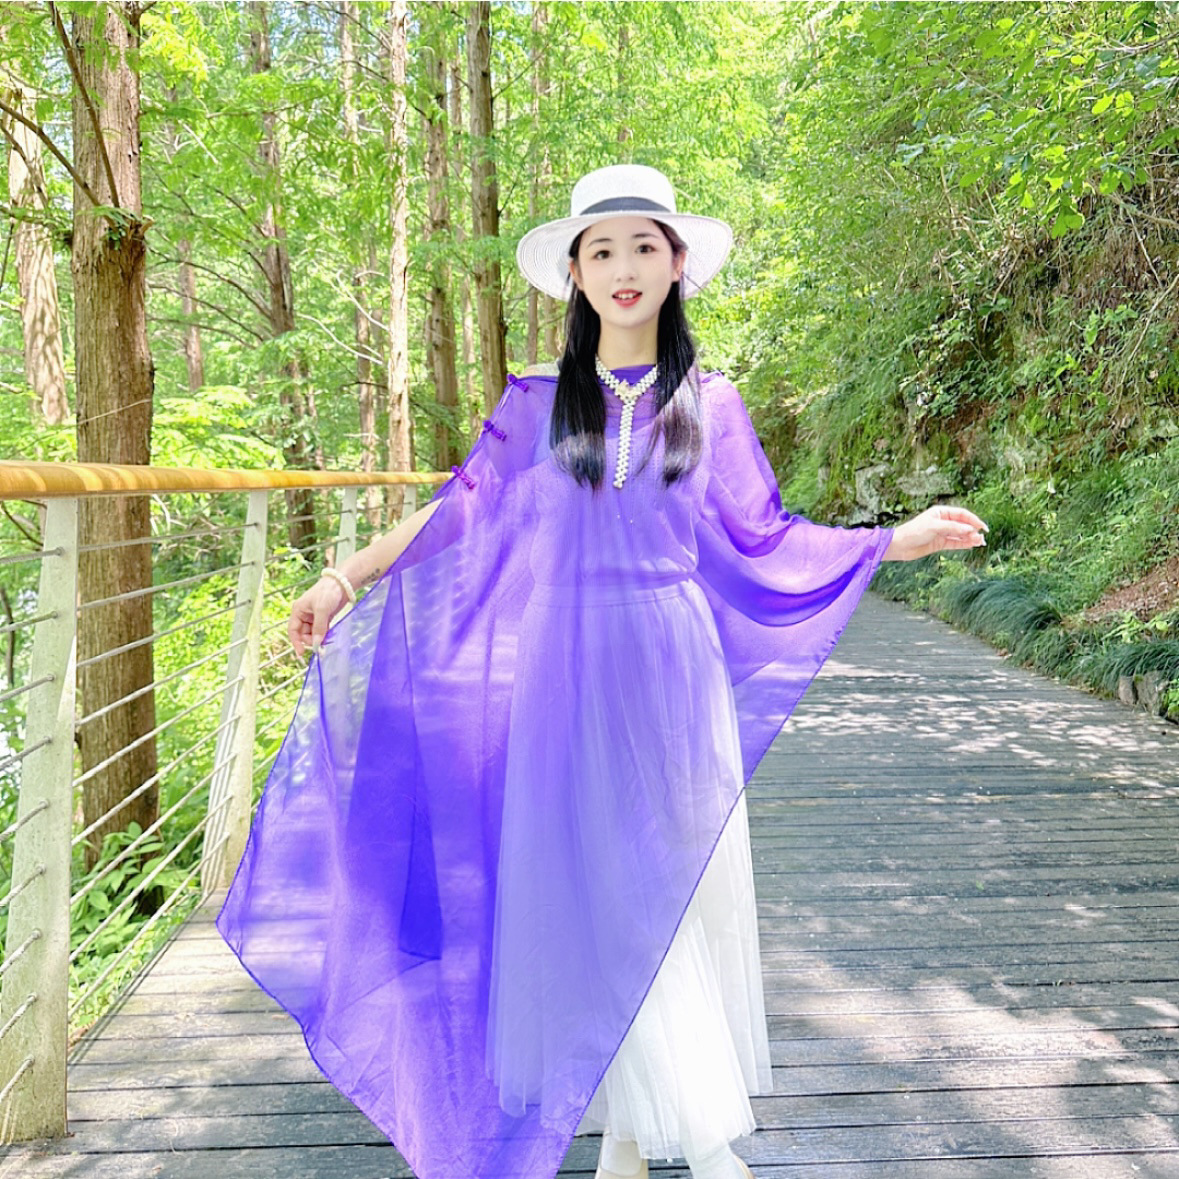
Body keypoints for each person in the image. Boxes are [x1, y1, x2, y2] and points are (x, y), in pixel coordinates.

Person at [220, 165, 985, 1179]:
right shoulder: (537, 403)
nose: (624, 267)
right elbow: (456, 514)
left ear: (676, 266)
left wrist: (891, 540)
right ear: (576, 275)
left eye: (643, 246)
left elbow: (762, 537)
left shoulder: (711, 402)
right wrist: (342, 576)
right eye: (602, 249)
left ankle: (641, 1140)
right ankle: (680, 1144)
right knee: (585, 901)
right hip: (562, 673)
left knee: (658, 894)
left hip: (669, 671)